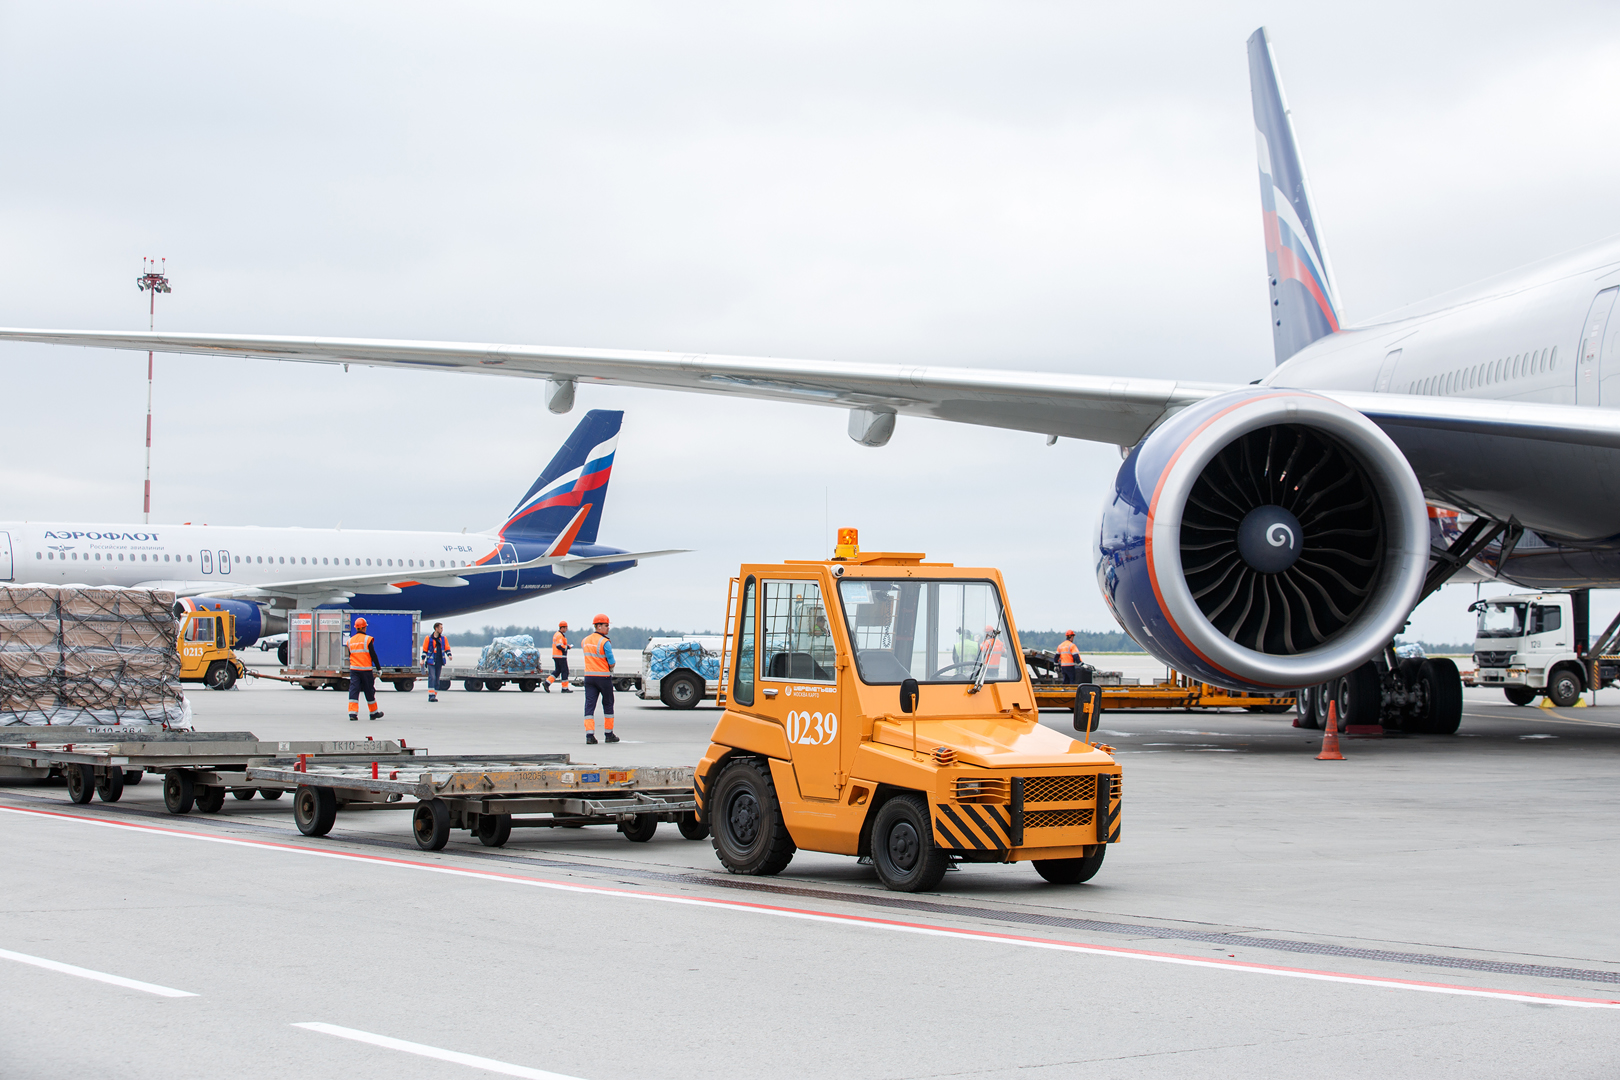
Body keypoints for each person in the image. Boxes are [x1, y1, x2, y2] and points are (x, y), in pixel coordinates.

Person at [581, 613, 618, 745]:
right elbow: (612, 662)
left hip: (589, 677)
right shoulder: (605, 642)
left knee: (589, 706)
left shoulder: (585, 641)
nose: (608, 628)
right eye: (606, 625)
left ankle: (589, 735)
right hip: (603, 677)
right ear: (598, 626)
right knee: (608, 704)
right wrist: (610, 667)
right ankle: (609, 734)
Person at [347, 617, 383, 721]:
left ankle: (352, 714)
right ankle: (373, 713)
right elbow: (373, 655)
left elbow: (351, 655)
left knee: (354, 691)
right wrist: (378, 668)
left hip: (354, 670)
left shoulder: (350, 641)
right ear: (364, 628)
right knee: (369, 691)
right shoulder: (367, 639)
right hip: (366, 670)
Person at [422, 622, 452, 702]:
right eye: (441, 628)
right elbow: (425, 649)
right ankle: (431, 696)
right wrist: (422, 660)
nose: (442, 630)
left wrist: (449, 655)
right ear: (436, 628)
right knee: (432, 677)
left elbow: (447, 648)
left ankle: (434, 695)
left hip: (439, 661)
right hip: (431, 661)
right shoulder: (428, 638)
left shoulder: (443, 639)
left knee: (437, 679)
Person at [545, 620, 573, 693]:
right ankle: (564, 688)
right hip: (560, 656)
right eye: (566, 628)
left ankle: (547, 683)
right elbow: (559, 646)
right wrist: (567, 647)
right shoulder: (560, 635)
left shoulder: (556, 634)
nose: (566, 629)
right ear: (562, 628)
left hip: (556, 656)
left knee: (557, 671)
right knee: (565, 671)